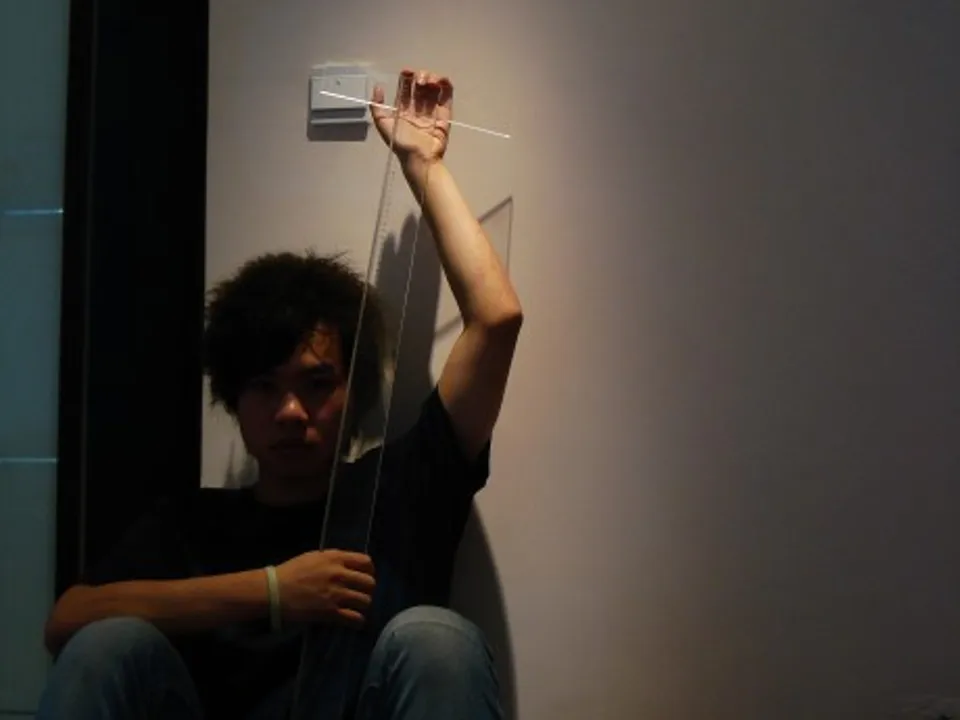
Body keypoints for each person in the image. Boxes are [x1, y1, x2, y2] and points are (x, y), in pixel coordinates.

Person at [36, 69, 523, 720]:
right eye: (265, 388)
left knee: (437, 638)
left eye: (316, 384)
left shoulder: (401, 491)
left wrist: (422, 166)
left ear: (353, 391)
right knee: (108, 642)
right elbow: (68, 621)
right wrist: (273, 591)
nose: (291, 413)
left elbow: (496, 320)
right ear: (234, 398)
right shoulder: (194, 525)